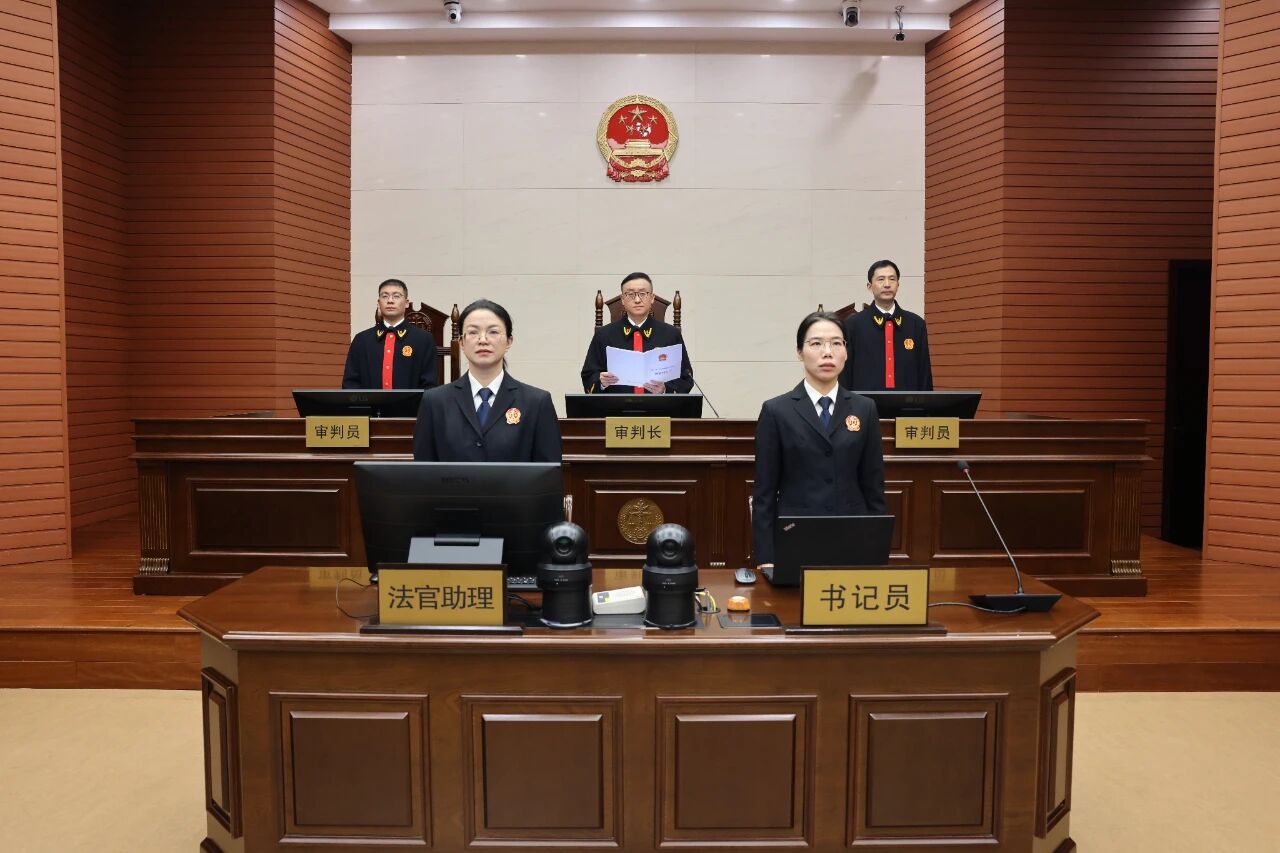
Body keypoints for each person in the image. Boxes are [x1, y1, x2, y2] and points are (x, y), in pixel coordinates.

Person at [752, 311, 886, 568]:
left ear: (846, 352)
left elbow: (873, 487)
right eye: (816, 343)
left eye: (836, 343)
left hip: (853, 537)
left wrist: (876, 548)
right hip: (796, 536)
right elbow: (764, 493)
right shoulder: (777, 411)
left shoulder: (865, 409)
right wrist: (766, 557)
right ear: (799, 352)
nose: (827, 352)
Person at [412, 299, 561, 463]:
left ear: (509, 341)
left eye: (493, 332)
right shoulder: (435, 401)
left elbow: (548, 472)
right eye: (473, 332)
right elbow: (424, 471)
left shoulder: (536, 402)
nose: (483, 339)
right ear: (461, 342)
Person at [580, 272, 694, 394]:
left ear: (652, 298)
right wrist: (601, 382)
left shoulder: (670, 334)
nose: (637, 300)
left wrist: (665, 389)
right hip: (616, 405)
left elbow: (686, 378)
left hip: (659, 405)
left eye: (643, 294)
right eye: (630, 294)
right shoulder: (604, 335)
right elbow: (589, 375)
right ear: (622, 299)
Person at [840, 260, 933, 392]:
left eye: (892, 279)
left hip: (907, 402)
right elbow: (844, 373)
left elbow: (924, 374)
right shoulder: (853, 324)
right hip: (864, 402)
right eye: (881, 279)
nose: (887, 284)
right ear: (869, 286)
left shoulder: (915, 324)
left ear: (898, 285)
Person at [342, 278, 438, 390]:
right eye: (385, 296)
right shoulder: (362, 340)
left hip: (412, 402)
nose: (390, 301)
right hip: (370, 402)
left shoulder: (423, 339)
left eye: (396, 296)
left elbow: (430, 385)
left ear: (406, 303)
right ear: (378, 303)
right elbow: (350, 383)